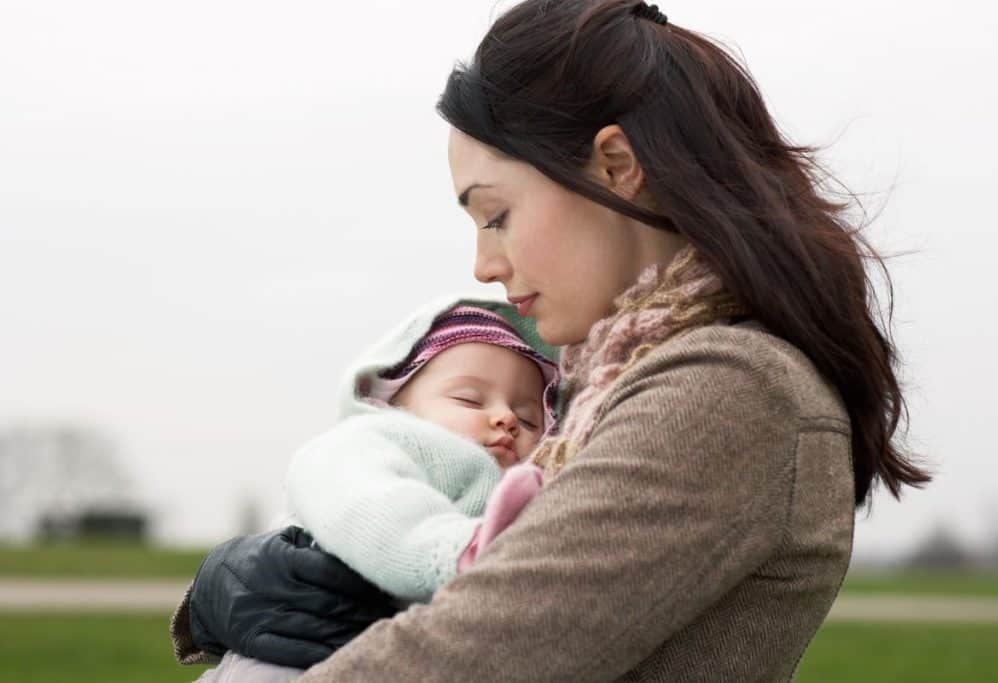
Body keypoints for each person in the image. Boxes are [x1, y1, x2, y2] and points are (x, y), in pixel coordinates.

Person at [171, 1, 930, 680]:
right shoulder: (613, 387)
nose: (484, 265)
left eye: (495, 214)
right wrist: (222, 597)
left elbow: (465, 656)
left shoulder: (729, 386)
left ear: (617, 166)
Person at [185, 299, 561, 682]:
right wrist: (455, 549)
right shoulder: (373, 442)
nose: (508, 418)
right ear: (392, 405)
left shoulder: (530, 485)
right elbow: (366, 501)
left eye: (530, 417)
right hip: (288, 662)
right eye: (469, 398)